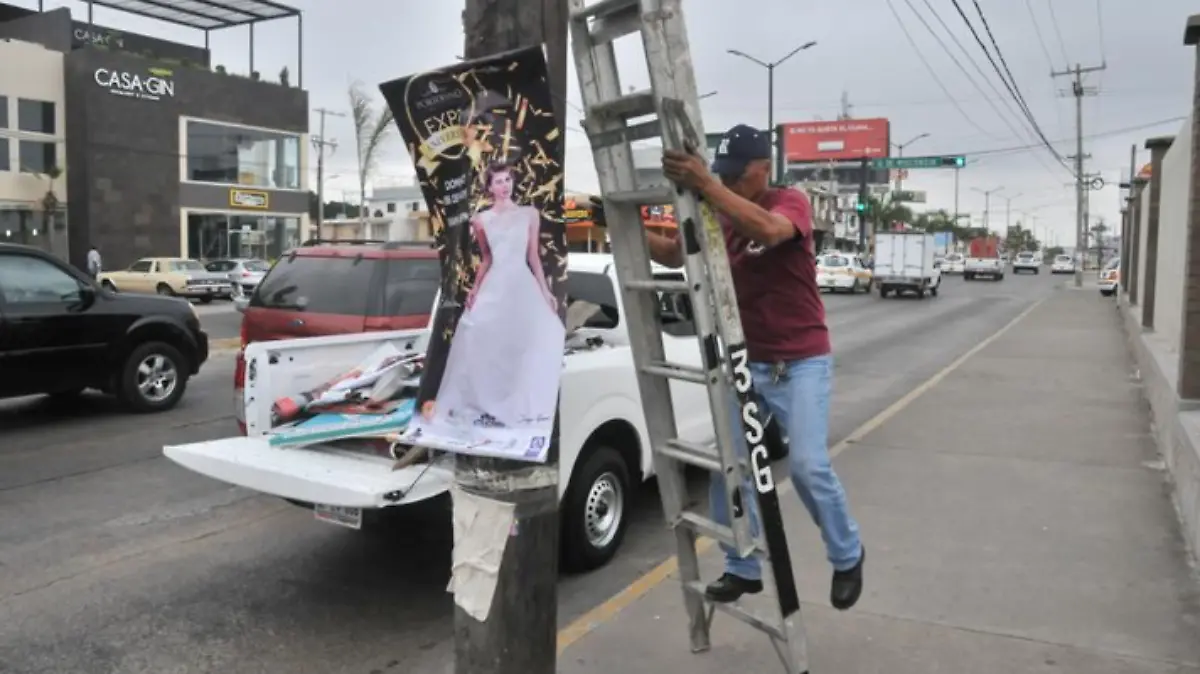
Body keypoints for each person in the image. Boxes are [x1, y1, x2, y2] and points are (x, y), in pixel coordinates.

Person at [628, 124, 865, 609]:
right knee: (729, 466)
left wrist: (709, 189)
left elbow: (771, 231)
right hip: (749, 362)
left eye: (739, 175)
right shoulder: (721, 211)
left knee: (806, 466)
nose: (731, 183)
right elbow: (675, 252)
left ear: (763, 169)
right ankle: (742, 566)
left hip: (801, 361)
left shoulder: (789, 202)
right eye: (725, 176)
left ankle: (847, 554)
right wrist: (623, 224)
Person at [420, 159, 564, 433]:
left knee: (530, 338)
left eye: (507, 179)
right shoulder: (481, 220)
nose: (504, 185)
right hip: (496, 283)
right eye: (498, 181)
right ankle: (487, 402)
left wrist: (545, 292)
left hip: (521, 283)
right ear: (489, 187)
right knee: (480, 337)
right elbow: (486, 258)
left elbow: (533, 256)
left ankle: (519, 403)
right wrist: (475, 288)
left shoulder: (529, 214)